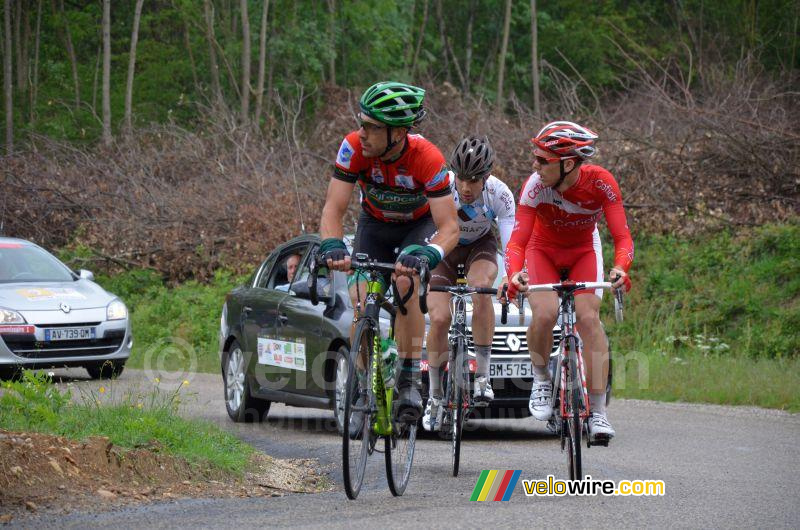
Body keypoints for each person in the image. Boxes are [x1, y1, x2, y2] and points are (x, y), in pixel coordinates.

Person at [318, 81, 459, 428]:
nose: (362, 133)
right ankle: (366, 379)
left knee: (405, 281)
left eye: (373, 127)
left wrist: (429, 253)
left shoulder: (427, 158)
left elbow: (450, 227)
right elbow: (333, 209)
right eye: (362, 122)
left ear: (398, 133)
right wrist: (333, 244)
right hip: (375, 225)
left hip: (417, 227)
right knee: (360, 296)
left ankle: (410, 380)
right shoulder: (352, 147)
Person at [502, 121, 633, 443]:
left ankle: (599, 413)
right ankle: (542, 378)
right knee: (544, 314)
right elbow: (517, 241)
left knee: (589, 320)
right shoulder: (534, 186)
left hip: (583, 250)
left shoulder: (601, 183)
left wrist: (621, 268)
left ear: (569, 163)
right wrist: (514, 274)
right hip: (541, 250)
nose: (535, 166)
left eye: (542, 160)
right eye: (536, 158)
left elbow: (622, 235)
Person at [422, 136, 515, 432]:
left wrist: (510, 276)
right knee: (438, 317)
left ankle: (483, 377)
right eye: (462, 178)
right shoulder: (441, 186)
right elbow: (423, 226)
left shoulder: (500, 194)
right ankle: (435, 396)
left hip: (480, 246)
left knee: (481, 287)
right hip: (444, 247)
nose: (466, 187)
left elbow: (511, 241)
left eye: (474, 180)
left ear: (486, 177)